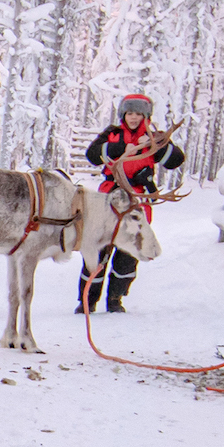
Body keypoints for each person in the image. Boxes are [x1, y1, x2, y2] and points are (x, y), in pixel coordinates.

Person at [78, 93, 184, 313]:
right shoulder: (112, 134)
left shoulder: (154, 138)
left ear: (146, 115)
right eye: (129, 113)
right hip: (109, 200)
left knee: (128, 252)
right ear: (123, 114)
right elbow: (92, 154)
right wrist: (120, 149)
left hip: (137, 201)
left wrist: (158, 145)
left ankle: (115, 299)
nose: (133, 118)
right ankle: (87, 300)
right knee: (99, 248)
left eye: (138, 113)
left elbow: (176, 160)